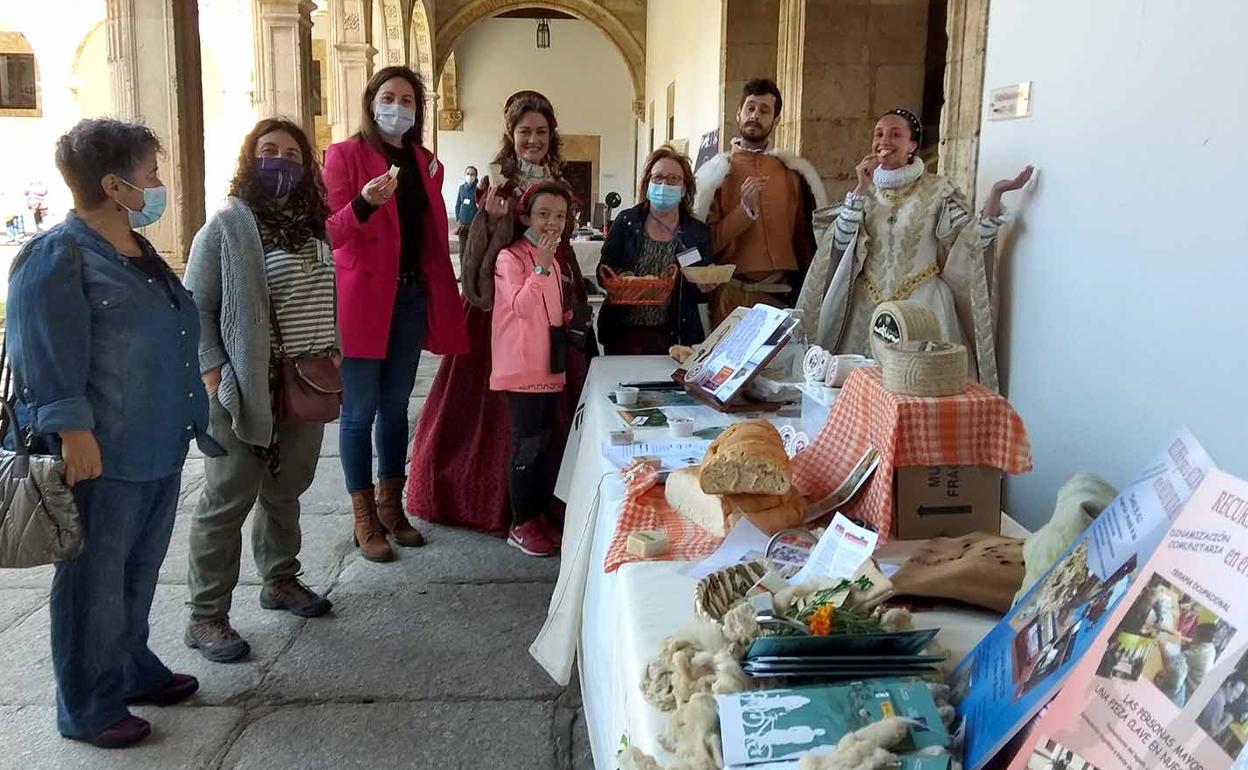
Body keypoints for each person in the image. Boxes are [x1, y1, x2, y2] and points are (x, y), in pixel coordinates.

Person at [5, 118, 221, 748]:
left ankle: (129, 666)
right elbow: (42, 352)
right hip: (101, 451)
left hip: (155, 443)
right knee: (92, 581)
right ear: (115, 183)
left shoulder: (136, 250)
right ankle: (87, 702)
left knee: (138, 569)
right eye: (150, 171)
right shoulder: (56, 255)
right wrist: (72, 432)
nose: (158, 183)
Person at [407, 93, 596, 548]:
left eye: (541, 131)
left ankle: (551, 503)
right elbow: (475, 257)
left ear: (552, 137)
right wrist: (491, 222)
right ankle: (509, 510)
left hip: (553, 299)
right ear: (511, 136)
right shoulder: (496, 185)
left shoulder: (561, 182)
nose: (532, 139)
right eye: (524, 131)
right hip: (504, 307)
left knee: (553, 413)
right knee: (506, 417)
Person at [181, 118, 336, 663]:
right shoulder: (226, 225)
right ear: (250, 158)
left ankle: (280, 579)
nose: (279, 161)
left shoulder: (314, 226)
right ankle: (206, 615)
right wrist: (211, 370)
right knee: (226, 498)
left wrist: (333, 350)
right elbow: (194, 305)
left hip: (304, 382)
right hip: (242, 384)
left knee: (286, 487)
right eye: (268, 151)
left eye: (291, 154)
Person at [322, 65, 469, 562]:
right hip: (362, 301)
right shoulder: (343, 155)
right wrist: (364, 204)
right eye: (389, 97)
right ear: (370, 101)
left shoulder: (426, 162)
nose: (398, 107)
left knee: (396, 406)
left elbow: (429, 234)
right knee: (359, 409)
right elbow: (330, 234)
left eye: (408, 100)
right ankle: (363, 514)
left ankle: (392, 506)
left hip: (409, 297)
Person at [796, 108, 1034, 391]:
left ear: (912, 145)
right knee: (860, 391)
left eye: (896, 134)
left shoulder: (938, 189)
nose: (885, 141)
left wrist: (994, 199)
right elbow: (837, 245)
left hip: (924, 308)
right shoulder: (864, 193)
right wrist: (860, 189)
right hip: (865, 308)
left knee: (917, 388)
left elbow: (966, 241)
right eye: (879, 134)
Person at [693, 78, 828, 327]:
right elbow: (706, 243)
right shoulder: (715, 176)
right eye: (750, 108)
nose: (755, 115)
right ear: (739, 113)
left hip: (782, 299)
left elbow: (806, 241)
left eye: (764, 110)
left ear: (775, 120)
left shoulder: (794, 174)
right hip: (730, 300)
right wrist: (744, 213)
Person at [490, 181, 575, 554]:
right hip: (522, 368)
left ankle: (537, 514)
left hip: (548, 366)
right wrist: (540, 267)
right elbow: (521, 308)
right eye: (543, 214)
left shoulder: (554, 258)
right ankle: (520, 522)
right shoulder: (510, 258)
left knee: (541, 444)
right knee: (525, 447)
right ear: (525, 216)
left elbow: (549, 310)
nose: (552, 223)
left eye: (559, 216)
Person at [596, 146, 713, 355]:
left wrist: (705, 287)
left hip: (675, 337)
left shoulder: (696, 233)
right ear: (647, 184)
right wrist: (623, 278)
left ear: (685, 188)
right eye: (657, 178)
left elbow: (697, 295)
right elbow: (603, 270)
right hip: (623, 334)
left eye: (673, 179)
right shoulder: (627, 221)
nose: (664, 185)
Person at [454, 165, 480, 244]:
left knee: (470, 245)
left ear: (476, 176)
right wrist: (458, 218)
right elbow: (458, 204)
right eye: (468, 174)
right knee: (462, 244)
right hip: (462, 221)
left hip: (473, 222)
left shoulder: (478, 190)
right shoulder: (461, 188)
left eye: (472, 174)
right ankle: (462, 256)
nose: (470, 176)